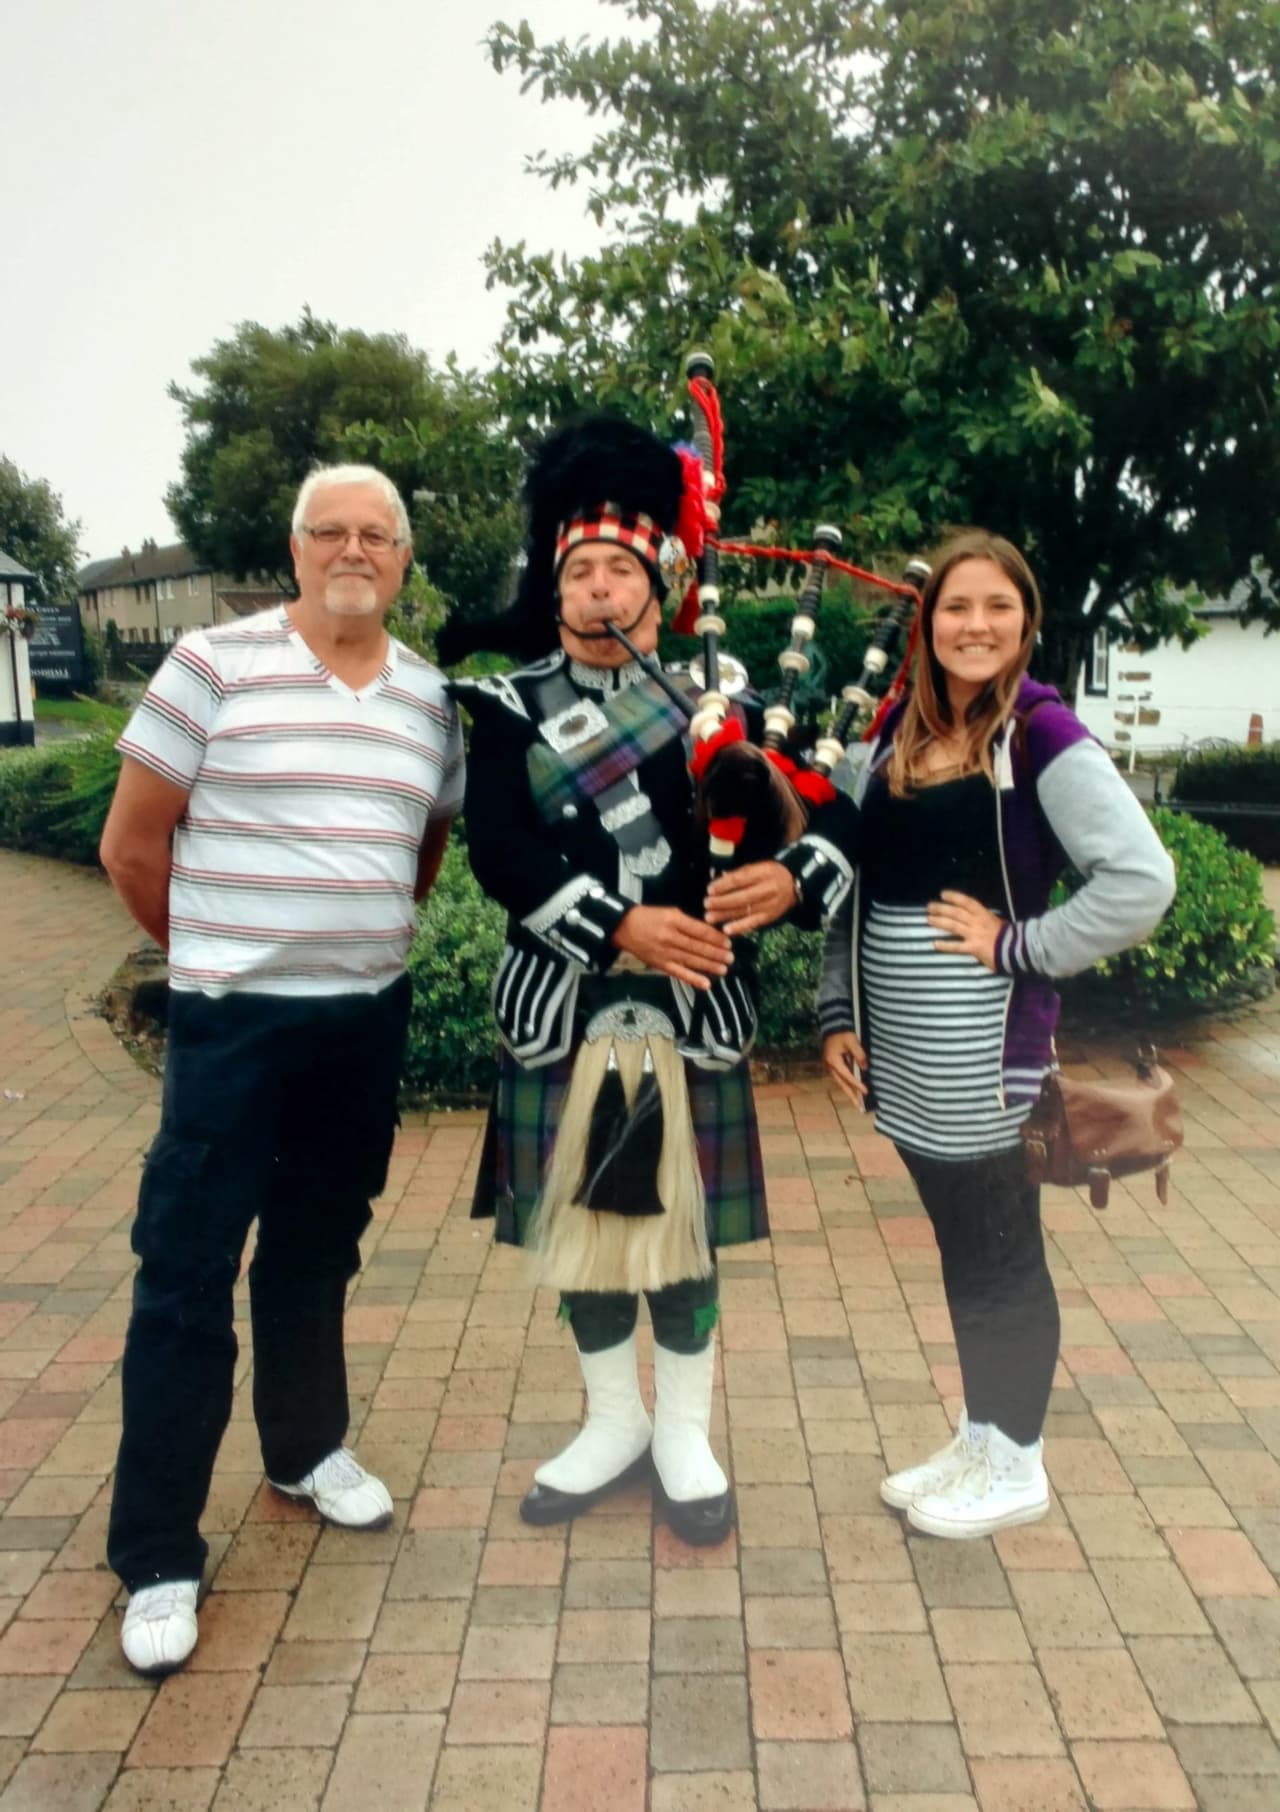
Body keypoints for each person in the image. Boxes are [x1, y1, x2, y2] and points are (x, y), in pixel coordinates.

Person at [439, 415, 853, 1545]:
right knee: (582, 1235)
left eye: (620, 571)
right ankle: (613, 1422)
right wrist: (622, 924)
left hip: (691, 1015)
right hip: (566, 1007)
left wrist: (790, 880)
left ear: (658, 591)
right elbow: (498, 852)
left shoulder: (721, 709)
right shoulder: (507, 707)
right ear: (555, 589)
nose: (598, 591)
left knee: (682, 1238)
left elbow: (832, 819)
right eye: (578, 571)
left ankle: (682, 1433)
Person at [99, 464, 464, 1671]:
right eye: (329, 531)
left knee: (317, 1249)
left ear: (402, 559)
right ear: (295, 548)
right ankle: (158, 1551)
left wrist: (347, 940)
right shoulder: (209, 665)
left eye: (376, 534)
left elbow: (420, 852)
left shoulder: (430, 700)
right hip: (233, 1025)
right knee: (187, 1270)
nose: (353, 549)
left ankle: (305, 1448)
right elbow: (130, 847)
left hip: (360, 1022)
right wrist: (218, 957)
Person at [819, 530, 1175, 1540]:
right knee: (964, 1246)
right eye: (954, 607)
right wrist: (837, 1011)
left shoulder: (1040, 736)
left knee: (1003, 1253)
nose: (974, 626)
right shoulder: (896, 732)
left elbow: (1140, 882)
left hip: (984, 1059)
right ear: (926, 623)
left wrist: (1018, 945)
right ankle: (981, 1433)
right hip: (903, 1059)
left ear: (1026, 623)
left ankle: (1016, 1461)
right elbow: (849, 882)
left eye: (997, 607)